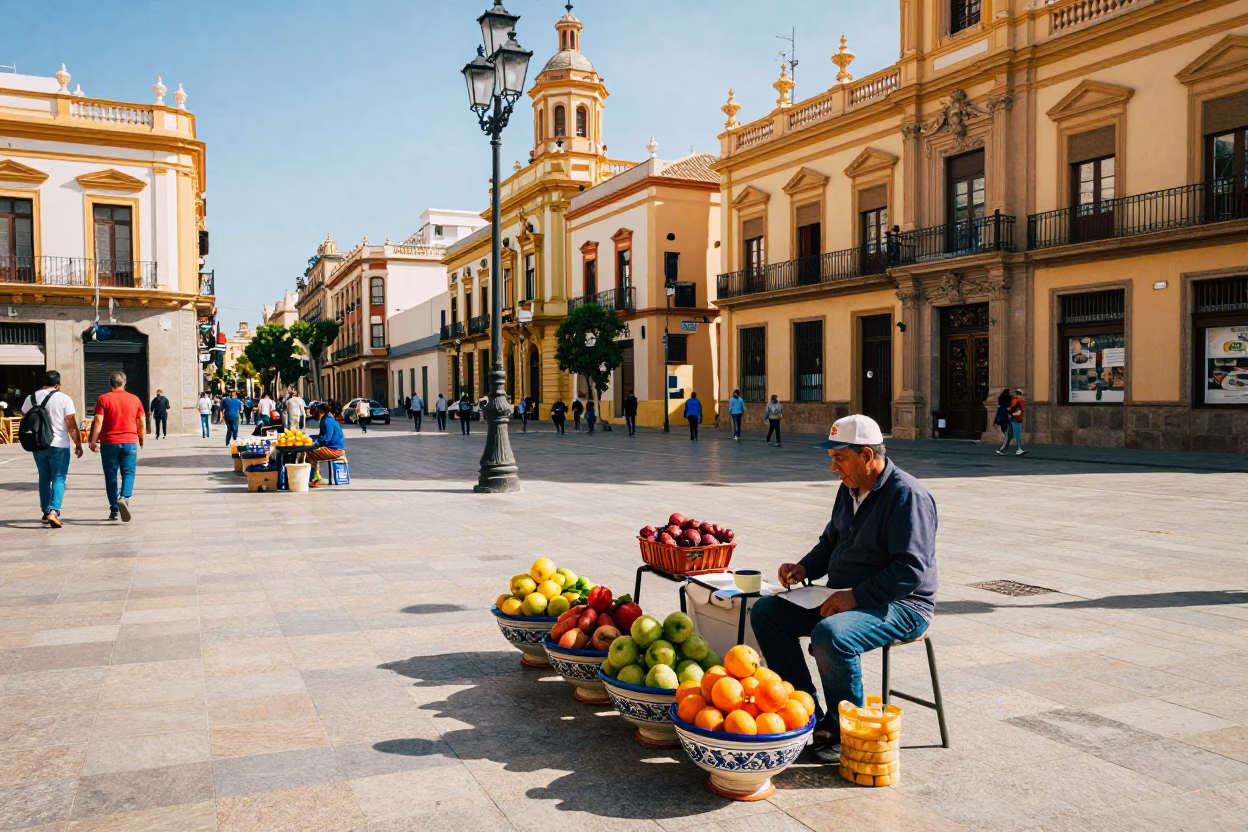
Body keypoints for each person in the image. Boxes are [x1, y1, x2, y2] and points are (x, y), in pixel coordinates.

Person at [750, 414, 938, 765]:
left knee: (831, 635)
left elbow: (911, 570)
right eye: (832, 459)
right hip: (846, 593)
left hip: (903, 604)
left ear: (867, 456)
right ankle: (805, 711)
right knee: (766, 613)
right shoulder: (849, 489)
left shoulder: (906, 496)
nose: (833, 468)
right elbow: (830, 541)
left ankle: (843, 729)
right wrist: (805, 567)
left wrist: (854, 597)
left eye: (840, 458)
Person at [20, 370, 84, 529]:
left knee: (44, 477)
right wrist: (78, 443)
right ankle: (54, 511)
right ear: (58, 384)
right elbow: (70, 423)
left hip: (39, 444)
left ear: (43, 382)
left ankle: (45, 511)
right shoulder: (64, 398)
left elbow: (25, 415)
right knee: (59, 477)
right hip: (59, 444)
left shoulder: (31, 397)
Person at [89, 371, 146, 522]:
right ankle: (125, 498)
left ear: (110, 383)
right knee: (128, 472)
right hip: (129, 441)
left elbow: (98, 421)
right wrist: (141, 439)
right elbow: (141, 422)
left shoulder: (103, 399)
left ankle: (114, 509)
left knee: (110, 475)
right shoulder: (135, 399)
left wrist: (93, 441)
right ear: (125, 382)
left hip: (109, 443)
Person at [307, 402, 345, 487]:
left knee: (309, 453)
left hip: (335, 450)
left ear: (320, 412)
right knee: (311, 451)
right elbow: (323, 436)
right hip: (333, 448)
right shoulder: (327, 419)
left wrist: (314, 440)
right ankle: (315, 478)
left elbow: (327, 438)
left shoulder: (327, 421)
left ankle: (314, 479)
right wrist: (312, 437)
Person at [997, 388, 1027, 456]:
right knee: (1017, 435)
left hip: (1013, 419)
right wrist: (1012, 414)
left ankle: (1002, 450)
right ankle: (1018, 449)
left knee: (1010, 436)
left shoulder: (1014, 400)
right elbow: (1018, 411)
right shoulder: (1019, 400)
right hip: (1016, 420)